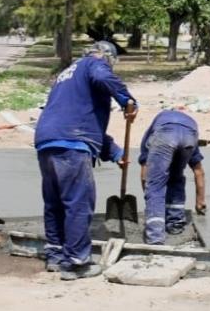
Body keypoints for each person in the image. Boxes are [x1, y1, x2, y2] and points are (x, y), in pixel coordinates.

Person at [34, 41, 136, 280]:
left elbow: (81, 119)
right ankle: (77, 262)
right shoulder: (94, 64)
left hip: (48, 140)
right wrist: (126, 100)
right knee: (78, 203)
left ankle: (55, 255)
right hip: (72, 143)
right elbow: (102, 76)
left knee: (55, 203)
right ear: (107, 57)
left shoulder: (67, 75)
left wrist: (115, 153)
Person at [138, 109, 206, 245]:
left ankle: (155, 236)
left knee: (156, 184)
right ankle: (175, 223)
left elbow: (145, 171)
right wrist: (200, 202)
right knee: (176, 177)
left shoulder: (151, 133)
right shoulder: (189, 129)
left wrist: (148, 194)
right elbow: (199, 172)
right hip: (190, 134)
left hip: (165, 134)